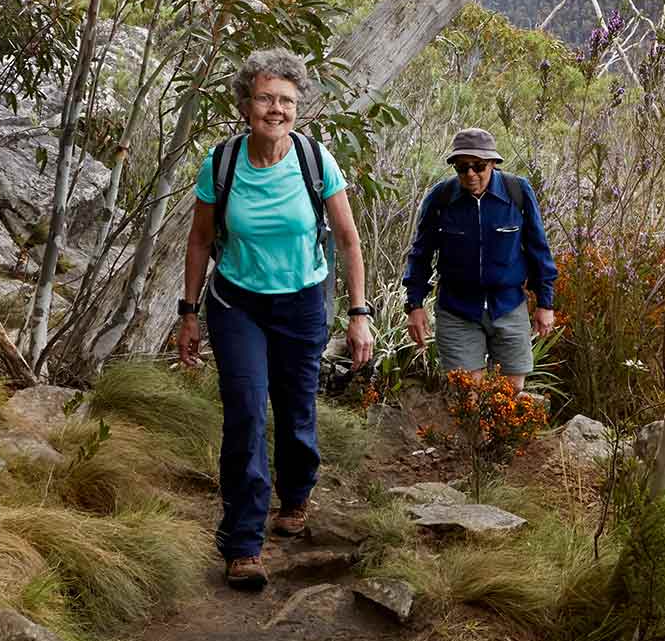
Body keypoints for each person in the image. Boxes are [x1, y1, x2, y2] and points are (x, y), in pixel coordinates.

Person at [176, 48, 374, 592]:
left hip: (303, 303)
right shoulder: (221, 163)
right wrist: (188, 313)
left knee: (294, 408)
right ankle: (243, 543)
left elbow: (349, 240)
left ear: (297, 107)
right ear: (245, 104)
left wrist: (359, 314)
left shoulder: (315, 161)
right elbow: (198, 241)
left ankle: (297, 492)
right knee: (245, 414)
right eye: (265, 97)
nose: (276, 108)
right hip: (237, 304)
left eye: (286, 100)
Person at [402, 127, 557, 391]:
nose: (471, 174)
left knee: (511, 391)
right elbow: (420, 253)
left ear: (493, 163)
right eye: (462, 168)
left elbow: (538, 248)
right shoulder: (441, 198)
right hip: (457, 308)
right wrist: (414, 305)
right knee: (466, 392)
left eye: (478, 166)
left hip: (508, 304)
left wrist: (545, 303)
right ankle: (469, 434)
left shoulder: (517, 192)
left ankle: (498, 434)